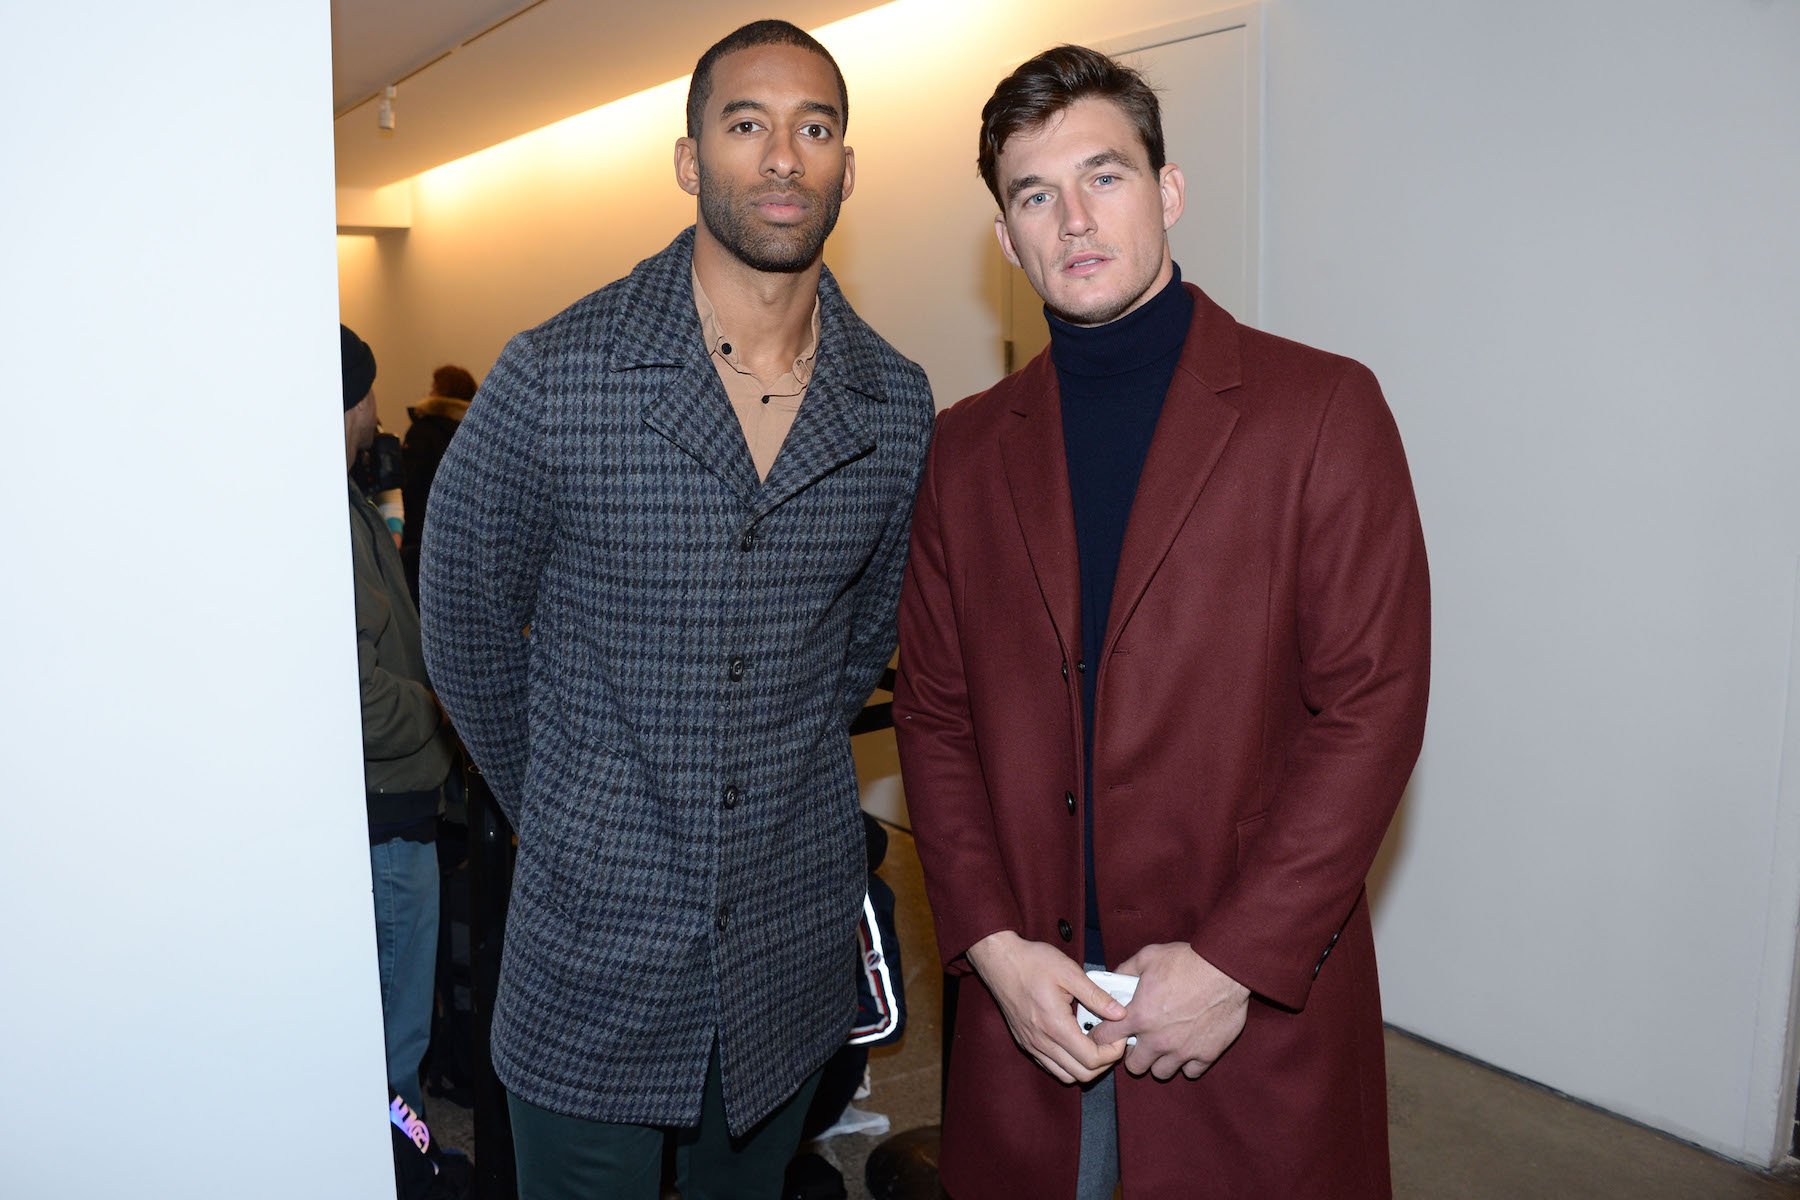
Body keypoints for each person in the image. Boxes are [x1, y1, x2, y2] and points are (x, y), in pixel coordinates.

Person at [891, 45, 1431, 1199]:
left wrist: (1236, 962)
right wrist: (989, 947)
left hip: (1242, 1014)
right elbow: (934, 721)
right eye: (1034, 195)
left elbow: (1371, 709)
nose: (1073, 219)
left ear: (1168, 190)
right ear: (1006, 239)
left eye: (1106, 176)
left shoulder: (1321, 409)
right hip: (1033, 1014)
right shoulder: (966, 448)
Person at [418, 20, 934, 1199]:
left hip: (784, 945)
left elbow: (865, 637)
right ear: (690, 160)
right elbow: (462, 618)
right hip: (592, 944)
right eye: (746, 125)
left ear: (848, 167)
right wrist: (567, 805)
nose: (783, 157)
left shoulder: (893, 403)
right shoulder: (562, 371)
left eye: (815, 128)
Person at [343, 324, 455, 1125]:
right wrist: (436, 707)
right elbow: (354, 692)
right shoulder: (321, 516)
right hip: (386, 818)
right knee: (392, 1038)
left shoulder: (339, 498)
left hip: (386, 809)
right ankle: (402, 1169)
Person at [400, 364, 478, 601]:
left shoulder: (422, 431)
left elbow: (410, 489)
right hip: (467, 545)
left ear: (441, 391)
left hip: (423, 540)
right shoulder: (477, 433)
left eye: (434, 386)